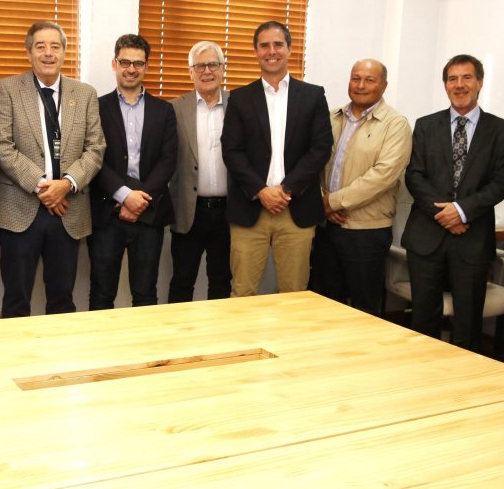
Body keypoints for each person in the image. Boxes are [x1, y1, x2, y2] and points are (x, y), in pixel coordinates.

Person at [402, 54, 504, 353]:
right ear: (445, 85)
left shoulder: (502, 131)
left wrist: (461, 211)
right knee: (422, 320)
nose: (459, 84)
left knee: (468, 324)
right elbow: (414, 175)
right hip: (426, 237)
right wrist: (444, 214)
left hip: (472, 239)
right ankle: (422, 372)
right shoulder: (426, 125)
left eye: (467, 78)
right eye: (452, 79)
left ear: (480, 83)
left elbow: (500, 183)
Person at [0, 20, 105, 317]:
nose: (48, 53)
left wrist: (66, 184)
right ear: (29, 52)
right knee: (16, 300)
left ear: (64, 52)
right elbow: (2, 146)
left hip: (68, 209)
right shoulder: (8, 89)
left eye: (55, 46)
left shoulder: (85, 93)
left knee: (62, 300)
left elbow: (95, 148)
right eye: (40, 46)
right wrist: (44, 187)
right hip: (19, 209)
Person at [221, 21, 333, 296]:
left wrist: (286, 189)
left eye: (278, 45)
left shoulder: (313, 96)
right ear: (256, 52)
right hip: (250, 209)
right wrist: (261, 191)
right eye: (264, 46)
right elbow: (231, 150)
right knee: (242, 292)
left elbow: (320, 148)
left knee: (294, 294)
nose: (271, 51)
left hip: (296, 208)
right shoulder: (240, 98)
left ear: (290, 49)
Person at [309, 59, 411, 315]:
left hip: (366, 232)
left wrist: (332, 202)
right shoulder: (331, 118)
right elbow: (312, 162)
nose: (361, 85)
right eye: (356, 78)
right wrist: (322, 200)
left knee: (364, 309)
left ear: (383, 86)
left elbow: (383, 176)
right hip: (326, 227)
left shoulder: (395, 124)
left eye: (369, 80)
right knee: (322, 304)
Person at [88, 34, 177, 309]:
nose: (131, 69)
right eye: (125, 62)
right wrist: (125, 195)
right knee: (101, 294)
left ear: (146, 67)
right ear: (114, 63)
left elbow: (168, 161)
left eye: (138, 63)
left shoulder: (164, 110)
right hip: (107, 213)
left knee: (146, 294)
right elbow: (93, 158)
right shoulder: (96, 107)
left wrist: (140, 200)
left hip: (149, 214)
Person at [168, 41, 232, 303]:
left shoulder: (239, 104)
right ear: (190, 72)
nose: (207, 71)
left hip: (229, 212)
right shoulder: (174, 108)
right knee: (182, 281)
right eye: (200, 66)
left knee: (222, 281)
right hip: (188, 210)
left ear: (222, 69)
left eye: (213, 65)